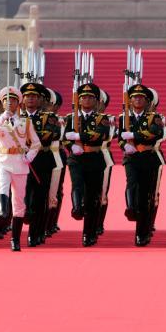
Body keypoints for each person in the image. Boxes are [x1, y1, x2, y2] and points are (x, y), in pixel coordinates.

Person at [0, 86, 42, 251]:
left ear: (18, 103)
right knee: (2, 187)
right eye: (6, 101)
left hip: (20, 163)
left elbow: (36, 143)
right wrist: (2, 117)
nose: (9, 103)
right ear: (2, 104)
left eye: (13, 100)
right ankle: (3, 213)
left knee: (19, 202)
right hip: (3, 161)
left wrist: (30, 156)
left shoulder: (25, 122)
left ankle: (15, 239)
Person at [64, 82, 114, 247]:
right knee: (77, 184)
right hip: (76, 159)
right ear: (78, 100)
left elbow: (100, 135)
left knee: (93, 197)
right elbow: (63, 137)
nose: (86, 100)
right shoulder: (70, 118)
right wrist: (71, 146)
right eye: (83, 97)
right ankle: (77, 207)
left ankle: (89, 233)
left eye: (90, 97)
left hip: (94, 159)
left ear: (96, 101)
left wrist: (78, 136)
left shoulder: (102, 119)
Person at [118, 84, 164, 246]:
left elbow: (155, 132)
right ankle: (130, 207)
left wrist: (134, 135)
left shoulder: (154, 117)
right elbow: (120, 137)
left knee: (145, 196)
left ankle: (141, 233)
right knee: (131, 183)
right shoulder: (124, 118)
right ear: (130, 100)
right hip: (131, 158)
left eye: (141, 97)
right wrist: (125, 145)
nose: (137, 100)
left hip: (148, 159)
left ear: (146, 101)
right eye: (134, 97)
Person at [19, 82, 62, 247]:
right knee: (23, 197)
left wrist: (26, 138)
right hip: (20, 161)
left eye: (34, 96)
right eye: (27, 96)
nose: (30, 99)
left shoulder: (49, 117)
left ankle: (36, 233)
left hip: (42, 161)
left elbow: (52, 134)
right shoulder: (15, 117)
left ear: (40, 99)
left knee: (40, 198)